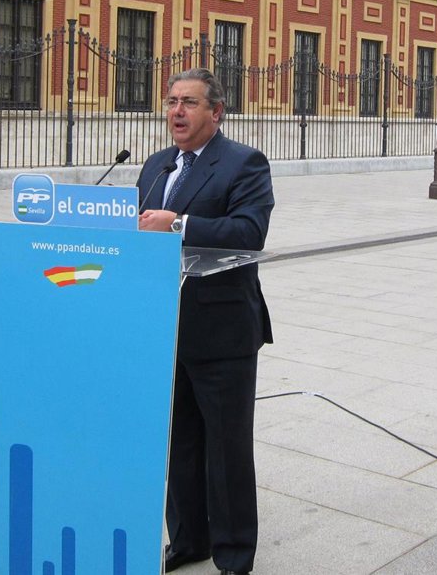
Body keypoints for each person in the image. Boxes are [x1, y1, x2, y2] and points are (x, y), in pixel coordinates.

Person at [137, 67, 273, 575]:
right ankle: (189, 538)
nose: (176, 111)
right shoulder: (155, 166)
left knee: (226, 448)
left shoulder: (244, 163)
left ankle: (234, 554)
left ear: (216, 112)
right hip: (164, 327)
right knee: (180, 443)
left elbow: (249, 232)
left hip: (222, 331)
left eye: (189, 102)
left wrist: (179, 223)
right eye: (172, 101)